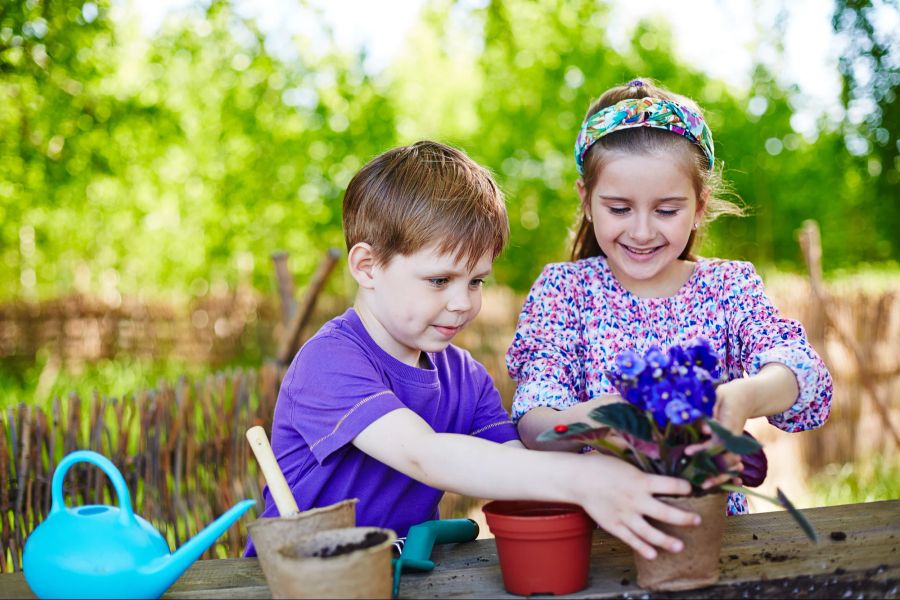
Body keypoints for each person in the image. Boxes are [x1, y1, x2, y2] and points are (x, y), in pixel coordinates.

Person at [245, 140, 701, 561]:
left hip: (407, 574)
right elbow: (425, 454)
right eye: (440, 280)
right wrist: (584, 480)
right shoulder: (330, 361)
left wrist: (602, 441)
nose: (463, 302)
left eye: (477, 280)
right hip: (302, 582)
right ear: (368, 266)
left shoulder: (465, 376)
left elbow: (512, 468)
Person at [506, 78, 833, 516]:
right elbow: (534, 418)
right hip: (598, 540)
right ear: (586, 199)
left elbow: (799, 370)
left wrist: (742, 398)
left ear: (699, 206)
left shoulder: (728, 287)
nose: (641, 232)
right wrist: (593, 422)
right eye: (619, 209)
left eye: (666, 210)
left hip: (711, 536)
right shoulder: (565, 291)